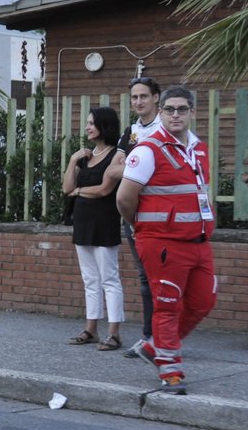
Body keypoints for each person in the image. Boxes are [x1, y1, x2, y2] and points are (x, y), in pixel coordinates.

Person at [115, 85, 216, 395]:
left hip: (198, 243)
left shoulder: (199, 148)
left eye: (182, 109)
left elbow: (202, 194)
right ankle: (169, 369)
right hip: (161, 242)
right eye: (169, 109)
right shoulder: (147, 149)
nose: (175, 115)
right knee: (168, 305)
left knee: (203, 301)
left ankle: (154, 347)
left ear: (192, 112)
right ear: (160, 113)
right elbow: (124, 198)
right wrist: (139, 227)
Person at [62, 106, 126, 350]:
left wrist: (79, 191)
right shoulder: (86, 157)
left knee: (109, 279)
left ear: (105, 126)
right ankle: (91, 329)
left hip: (104, 222)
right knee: (90, 279)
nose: (87, 127)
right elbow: (67, 188)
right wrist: (72, 161)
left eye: (92, 123)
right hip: (82, 222)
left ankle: (114, 333)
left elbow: (104, 190)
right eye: (87, 123)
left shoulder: (115, 156)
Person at [116, 76, 163, 357]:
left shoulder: (165, 129)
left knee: (161, 278)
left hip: (157, 212)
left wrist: (131, 168)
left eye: (144, 96)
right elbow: (114, 167)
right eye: (134, 97)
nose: (139, 102)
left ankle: (164, 338)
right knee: (145, 278)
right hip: (133, 212)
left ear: (156, 97)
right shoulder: (131, 131)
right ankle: (149, 338)